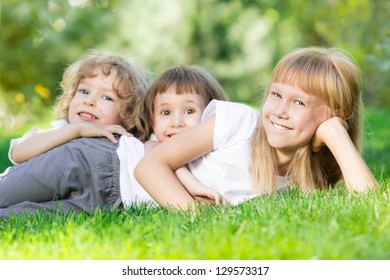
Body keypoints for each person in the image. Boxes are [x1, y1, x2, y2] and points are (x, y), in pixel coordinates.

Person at [134, 47, 379, 211]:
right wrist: (194, 216)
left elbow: (370, 205)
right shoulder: (238, 124)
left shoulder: (308, 175)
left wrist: (335, 133)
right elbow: (149, 165)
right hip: (113, 165)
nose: (280, 110)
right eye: (276, 94)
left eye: (299, 102)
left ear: (337, 113)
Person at [0, 50, 150, 217]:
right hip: (79, 184)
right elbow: (18, 153)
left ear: (128, 115)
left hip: (97, 192)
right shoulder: (62, 129)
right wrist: (74, 130)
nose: (89, 101)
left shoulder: (120, 146)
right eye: (84, 91)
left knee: (22, 215)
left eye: (107, 97)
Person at [144, 65, 228, 204]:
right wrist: (191, 183)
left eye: (189, 111)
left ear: (211, 115)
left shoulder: (215, 151)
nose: (176, 122)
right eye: (166, 112)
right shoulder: (156, 144)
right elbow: (154, 153)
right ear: (152, 121)